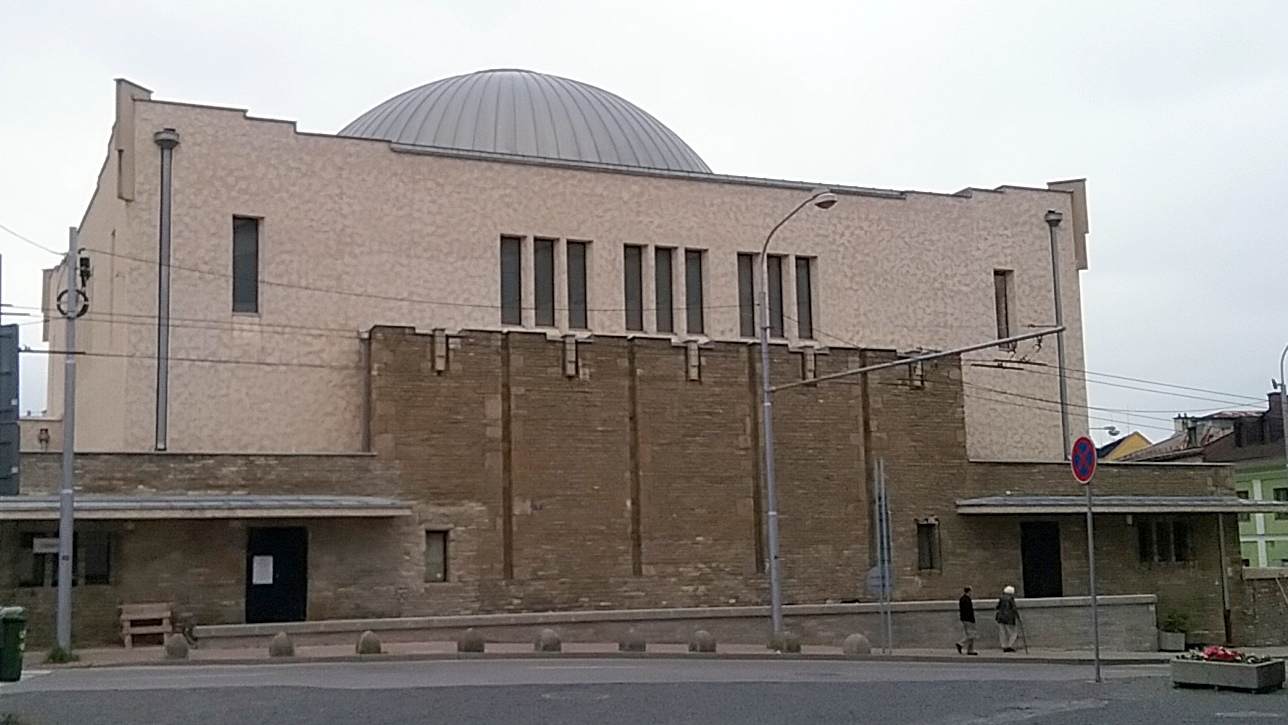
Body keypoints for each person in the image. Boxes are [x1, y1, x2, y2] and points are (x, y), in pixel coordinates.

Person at [995, 585, 1020, 652]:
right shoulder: (1010, 599)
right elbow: (1014, 608)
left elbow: (997, 607)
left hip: (1000, 618)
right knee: (1013, 632)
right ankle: (1010, 645)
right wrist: (1018, 616)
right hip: (1009, 618)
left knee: (1002, 632)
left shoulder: (1001, 598)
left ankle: (1004, 645)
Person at [955, 586, 978, 655]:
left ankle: (970, 650)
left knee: (969, 634)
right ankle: (961, 643)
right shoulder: (967, 600)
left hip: (964, 619)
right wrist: (972, 619)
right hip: (969, 619)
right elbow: (969, 611)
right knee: (971, 634)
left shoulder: (962, 599)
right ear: (969, 591)